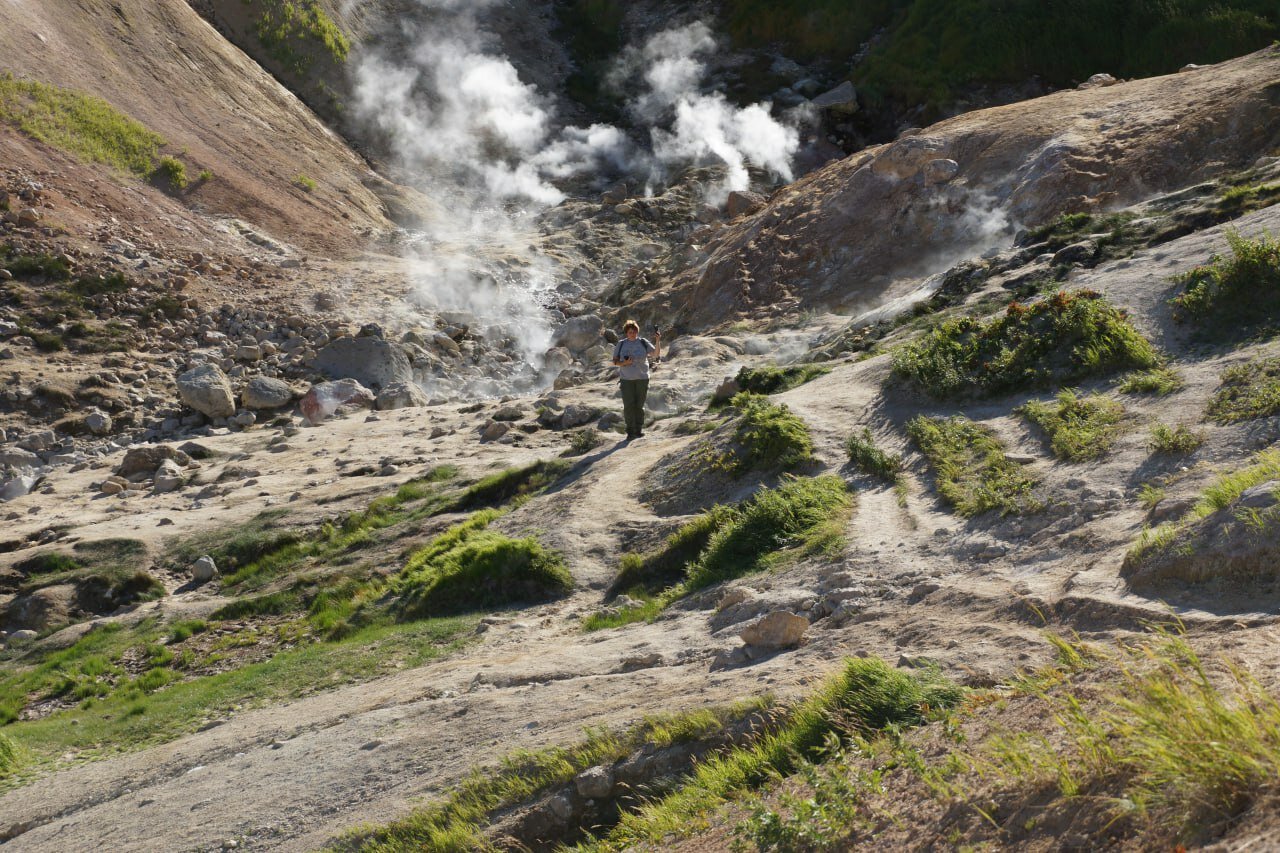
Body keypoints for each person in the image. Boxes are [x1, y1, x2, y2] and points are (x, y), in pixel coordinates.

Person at [612, 320, 661, 439]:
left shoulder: (643, 342)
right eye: (630, 332)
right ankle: (630, 431)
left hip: (642, 379)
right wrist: (624, 363)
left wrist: (658, 340)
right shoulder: (621, 344)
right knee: (629, 406)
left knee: (639, 405)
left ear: (637, 332)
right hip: (626, 380)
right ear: (626, 333)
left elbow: (655, 354)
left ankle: (638, 430)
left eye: (634, 332)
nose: (632, 334)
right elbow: (615, 361)